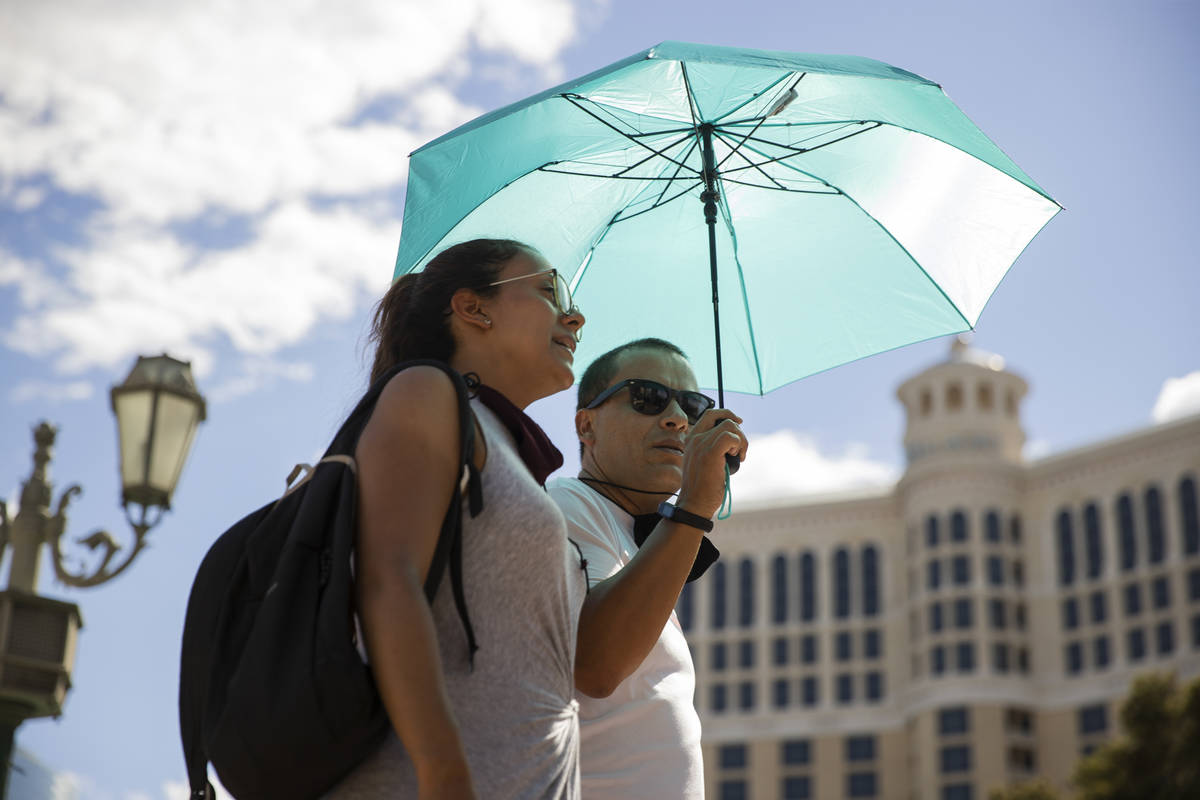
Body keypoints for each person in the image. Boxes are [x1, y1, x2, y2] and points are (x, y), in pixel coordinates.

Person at [329, 238, 586, 800]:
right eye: (549, 290)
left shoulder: (506, 449)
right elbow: (386, 580)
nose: (576, 315)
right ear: (473, 308)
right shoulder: (425, 391)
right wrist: (444, 776)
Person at [548, 338, 748, 799]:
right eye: (647, 397)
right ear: (586, 425)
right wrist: (695, 506)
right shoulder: (566, 505)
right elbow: (598, 668)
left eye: (693, 405)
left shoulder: (641, 539)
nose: (677, 418)